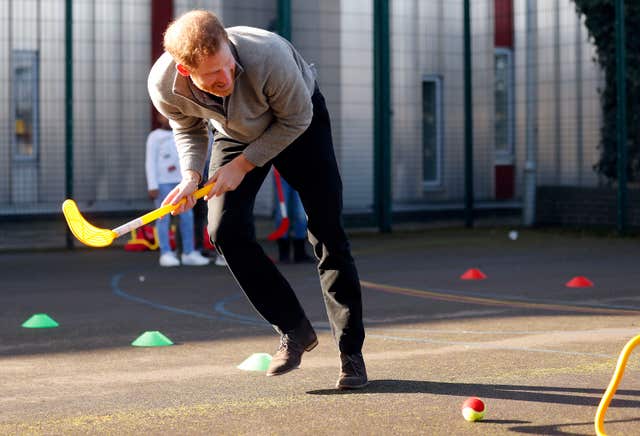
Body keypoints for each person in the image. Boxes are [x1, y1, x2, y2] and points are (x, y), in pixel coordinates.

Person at [148, 10, 367, 389]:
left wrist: (244, 165)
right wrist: (190, 176)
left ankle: (351, 354)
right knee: (223, 230)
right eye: (212, 76)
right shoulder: (164, 83)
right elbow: (187, 127)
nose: (225, 78)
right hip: (233, 130)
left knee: (327, 232)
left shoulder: (268, 56)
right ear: (185, 71)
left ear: (228, 46)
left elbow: (296, 120)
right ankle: (294, 329)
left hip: (299, 123)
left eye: (227, 65)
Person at [145, 111, 211, 267]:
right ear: (159, 118)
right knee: (163, 219)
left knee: (187, 217)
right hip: (162, 184)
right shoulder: (155, 136)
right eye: (164, 115)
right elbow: (150, 162)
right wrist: (152, 185)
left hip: (182, 183)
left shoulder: (181, 133)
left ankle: (188, 252)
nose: (168, 119)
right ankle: (166, 253)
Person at [272, 171, 313, 263]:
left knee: (300, 214)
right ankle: (283, 254)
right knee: (282, 213)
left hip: (301, 173)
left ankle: (300, 253)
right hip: (280, 174)